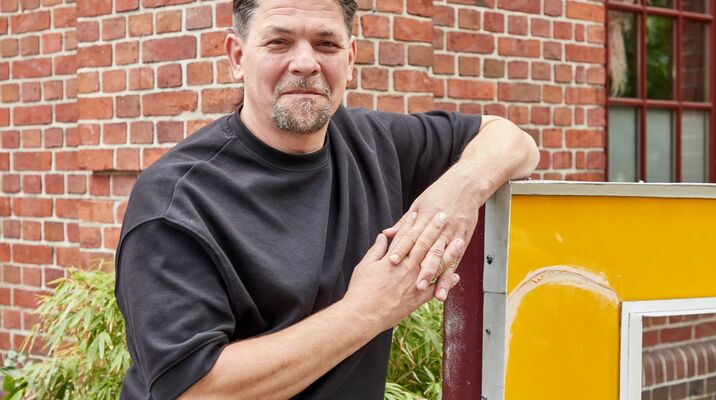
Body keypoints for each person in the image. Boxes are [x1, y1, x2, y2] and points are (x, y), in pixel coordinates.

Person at [114, 0, 540, 398]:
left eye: (326, 43)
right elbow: (194, 389)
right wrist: (368, 310)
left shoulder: (375, 143)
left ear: (350, 59)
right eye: (279, 41)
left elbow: (513, 140)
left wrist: (454, 195)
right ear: (238, 57)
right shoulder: (177, 200)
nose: (305, 62)